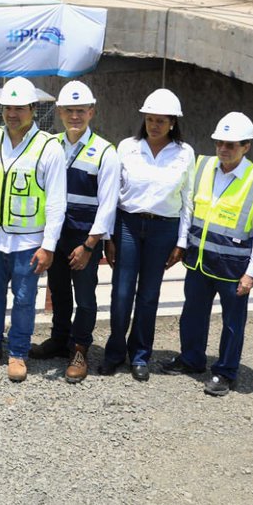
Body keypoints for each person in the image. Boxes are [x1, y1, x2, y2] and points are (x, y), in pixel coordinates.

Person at [162, 112, 253, 396]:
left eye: (231, 145)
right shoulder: (202, 167)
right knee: (192, 315)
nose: (224, 149)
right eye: (219, 143)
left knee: (233, 324)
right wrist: (182, 243)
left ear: (246, 146)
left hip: (233, 268)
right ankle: (191, 359)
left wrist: (251, 274)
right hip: (199, 262)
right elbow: (189, 209)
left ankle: (225, 372)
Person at [0, 77, 66, 382]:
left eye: (19, 108)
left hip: (29, 241)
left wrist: (49, 245)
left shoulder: (48, 148)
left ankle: (18, 352)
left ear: (33, 109)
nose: (12, 113)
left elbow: (55, 201)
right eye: (7, 107)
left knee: (25, 299)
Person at [100, 87, 194, 382]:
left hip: (164, 228)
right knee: (122, 291)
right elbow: (112, 193)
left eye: (161, 121)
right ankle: (115, 352)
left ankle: (140, 355)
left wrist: (181, 241)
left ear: (173, 123)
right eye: (150, 119)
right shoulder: (127, 147)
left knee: (150, 294)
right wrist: (108, 236)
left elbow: (188, 199)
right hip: (127, 223)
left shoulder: (184, 153)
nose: (154, 126)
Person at [29, 80, 120, 383]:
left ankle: (80, 348)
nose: (75, 116)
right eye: (69, 111)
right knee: (57, 290)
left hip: (84, 239)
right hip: (56, 235)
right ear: (60, 112)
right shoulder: (50, 145)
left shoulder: (105, 152)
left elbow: (107, 205)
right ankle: (59, 339)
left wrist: (91, 245)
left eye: (81, 111)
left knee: (85, 297)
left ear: (92, 112)